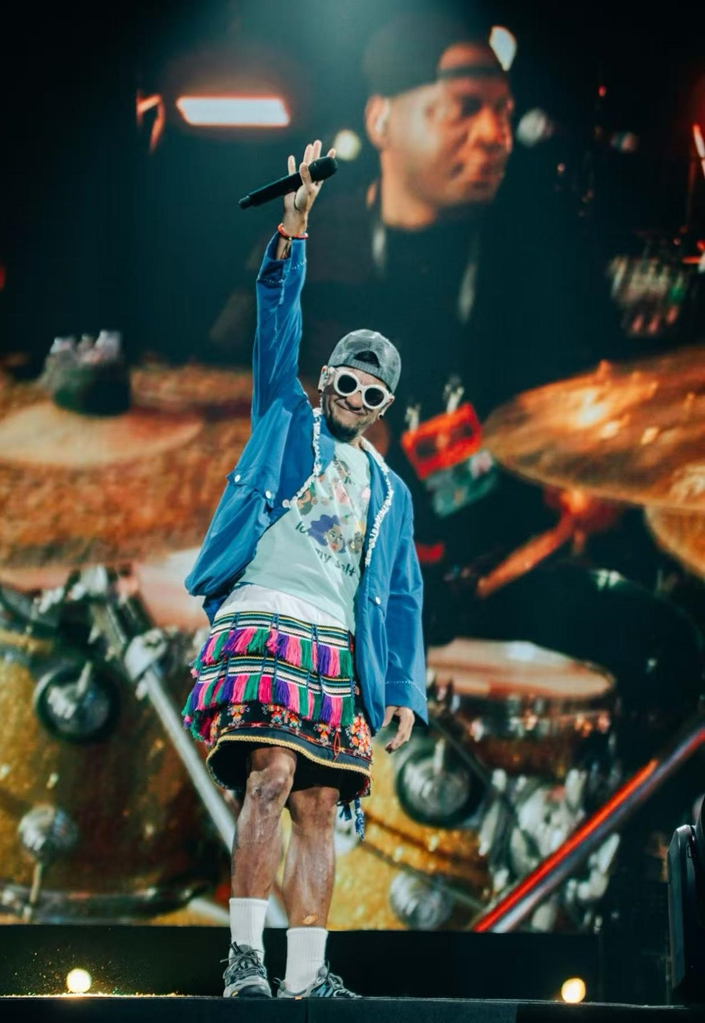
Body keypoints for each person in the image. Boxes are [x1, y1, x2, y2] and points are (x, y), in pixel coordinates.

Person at [209, 12, 627, 642]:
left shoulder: (549, 258)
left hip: (502, 588)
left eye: (504, 112)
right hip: (328, 593)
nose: (496, 134)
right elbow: (214, 399)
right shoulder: (307, 245)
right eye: (465, 107)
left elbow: (611, 407)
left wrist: (600, 481)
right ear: (382, 121)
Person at [182, 141, 428, 998]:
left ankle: (306, 975)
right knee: (271, 778)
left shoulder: (391, 492)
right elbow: (275, 318)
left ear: (385, 408)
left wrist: (403, 687)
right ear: (325, 380)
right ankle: (245, 960)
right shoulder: (285, 417)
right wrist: (294, 229)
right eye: (346, 383)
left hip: (335, 647)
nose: (355, 400)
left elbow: (401, 596)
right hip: (265, 614)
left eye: (372, 395)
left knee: (320, 805)